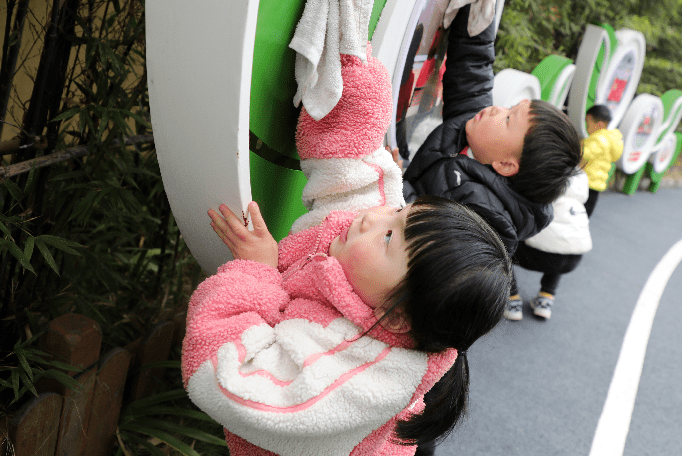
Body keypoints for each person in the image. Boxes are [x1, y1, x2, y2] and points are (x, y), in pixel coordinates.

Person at [182, 46, 510, 456]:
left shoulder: (359, 373)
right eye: (398, 212)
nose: (373, 220)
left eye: (389, 237)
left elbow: (231, 380)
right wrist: (352, 62)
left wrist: (256, 273)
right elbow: (354, 170)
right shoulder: (376, 273)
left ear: (401, 318)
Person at [400, 5, 582, 254]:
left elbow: (414, 237)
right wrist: (480, 6)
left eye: (508, 119)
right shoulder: (477, 130)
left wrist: (391, 179)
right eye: (509, 108)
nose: (497, 109)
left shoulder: (481, 219)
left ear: (506, 165)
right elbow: (472, 65)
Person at [505, 171, 592, 321]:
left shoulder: (542, 170)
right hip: (573, 258)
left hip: (536, 255)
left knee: (503, 245)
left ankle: (512, 299)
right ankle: (545, 298)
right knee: (562, 242)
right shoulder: (580, 176)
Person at [582, 104, 624, 218]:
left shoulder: (598, 139)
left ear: (598, 124)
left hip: (584, 183)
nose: (586, 126)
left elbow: (583, 157)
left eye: (588, 122)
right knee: (584, 216)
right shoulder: (611, 140)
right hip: (596, 186)